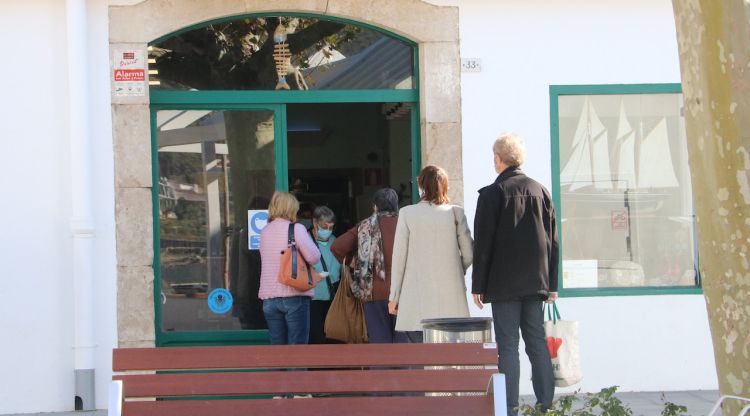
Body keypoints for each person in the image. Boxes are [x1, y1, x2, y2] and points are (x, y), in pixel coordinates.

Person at [471, 133, 559, 415]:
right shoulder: (541, 191)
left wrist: (478, 285)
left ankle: (509, 407)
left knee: (508, 345)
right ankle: (546, 404)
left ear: (498, 159)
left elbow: (483, 243)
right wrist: (552, 284)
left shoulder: (492, 195)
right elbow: (553, 241)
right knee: (535, 340)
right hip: (537, 282)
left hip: (503, 282)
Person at [388, 165, 474, 342]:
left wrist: (394, 297)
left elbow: (399, 260)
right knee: (450, 358)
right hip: (451, 299)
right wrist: (457, 268)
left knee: (420, 357)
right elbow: (469, 254)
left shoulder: (407, 214)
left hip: (416, 298)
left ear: (421, 186)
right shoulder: (456, 213)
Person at [331, 188, 401, 343]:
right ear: (397, 206)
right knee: (403, 344)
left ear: (375, 206)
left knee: (379, 343)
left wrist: (356, 262)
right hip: (403, 293)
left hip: (372, 292)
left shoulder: (364, 227)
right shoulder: (406, 225)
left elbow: (337, 247)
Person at [258, 192, 321, 345]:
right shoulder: (296, 229)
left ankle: (277, 369)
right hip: (294, 294)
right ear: (291, 209)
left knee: (277, 348)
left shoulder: (265, 231)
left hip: (269, 298)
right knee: (297, 350)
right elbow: (314, 257)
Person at [308, 206, 342, 344]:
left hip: (333, 298)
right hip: (312, 298)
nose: (327, 230)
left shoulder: (335, 240)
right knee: (316, 338)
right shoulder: (305, 240)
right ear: (315, 223)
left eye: (331, 227)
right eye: (324, 226)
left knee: (333, 337)